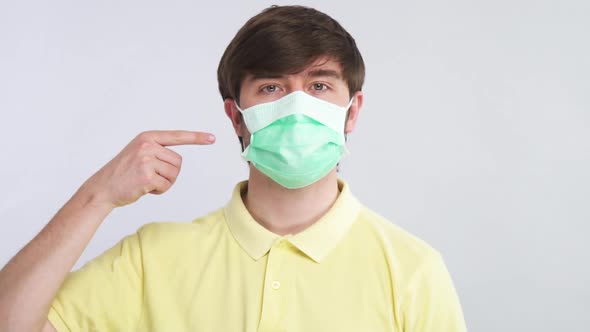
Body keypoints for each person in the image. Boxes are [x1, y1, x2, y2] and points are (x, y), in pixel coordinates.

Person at [0, 5, 466, 332]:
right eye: (270, 88)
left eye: (319, 85)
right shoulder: (151, 261)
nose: (297, 105)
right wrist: (96, 197)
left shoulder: (412, 272)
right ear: (235, 115)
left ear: (353, 109)